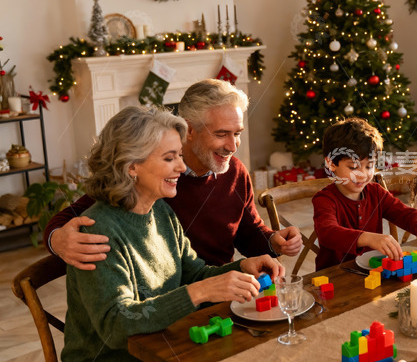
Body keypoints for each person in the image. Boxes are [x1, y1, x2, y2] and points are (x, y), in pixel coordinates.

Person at [62, 106, 285, 362]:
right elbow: (116, 326)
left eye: (179, 155)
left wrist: (241, 266)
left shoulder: (161, 212)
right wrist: (200, 292)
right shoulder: (98, 233)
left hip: (160, 359)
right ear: (131, 166)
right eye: (170, 158)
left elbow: (192, 273)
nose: (182, 167)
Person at [45, 79, 302, 269]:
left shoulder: (234, 171)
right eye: (221, 134)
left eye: (237, 133)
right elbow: (71, 217)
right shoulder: (150, 177)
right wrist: (57, 240)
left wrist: (273, 241)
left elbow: (248, 231)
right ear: (189, 130)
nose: (233, 145)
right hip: (168, 298)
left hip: (219, 287)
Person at [312, 117, 417, 270]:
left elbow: (406, 213)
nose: (362, 174)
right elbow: (327, 233)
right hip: (335, 275)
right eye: (353, 167)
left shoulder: (376, 192)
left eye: (369, 166)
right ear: (331, 164)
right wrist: (367, 238)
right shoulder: (324, 199)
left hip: (375, 271)